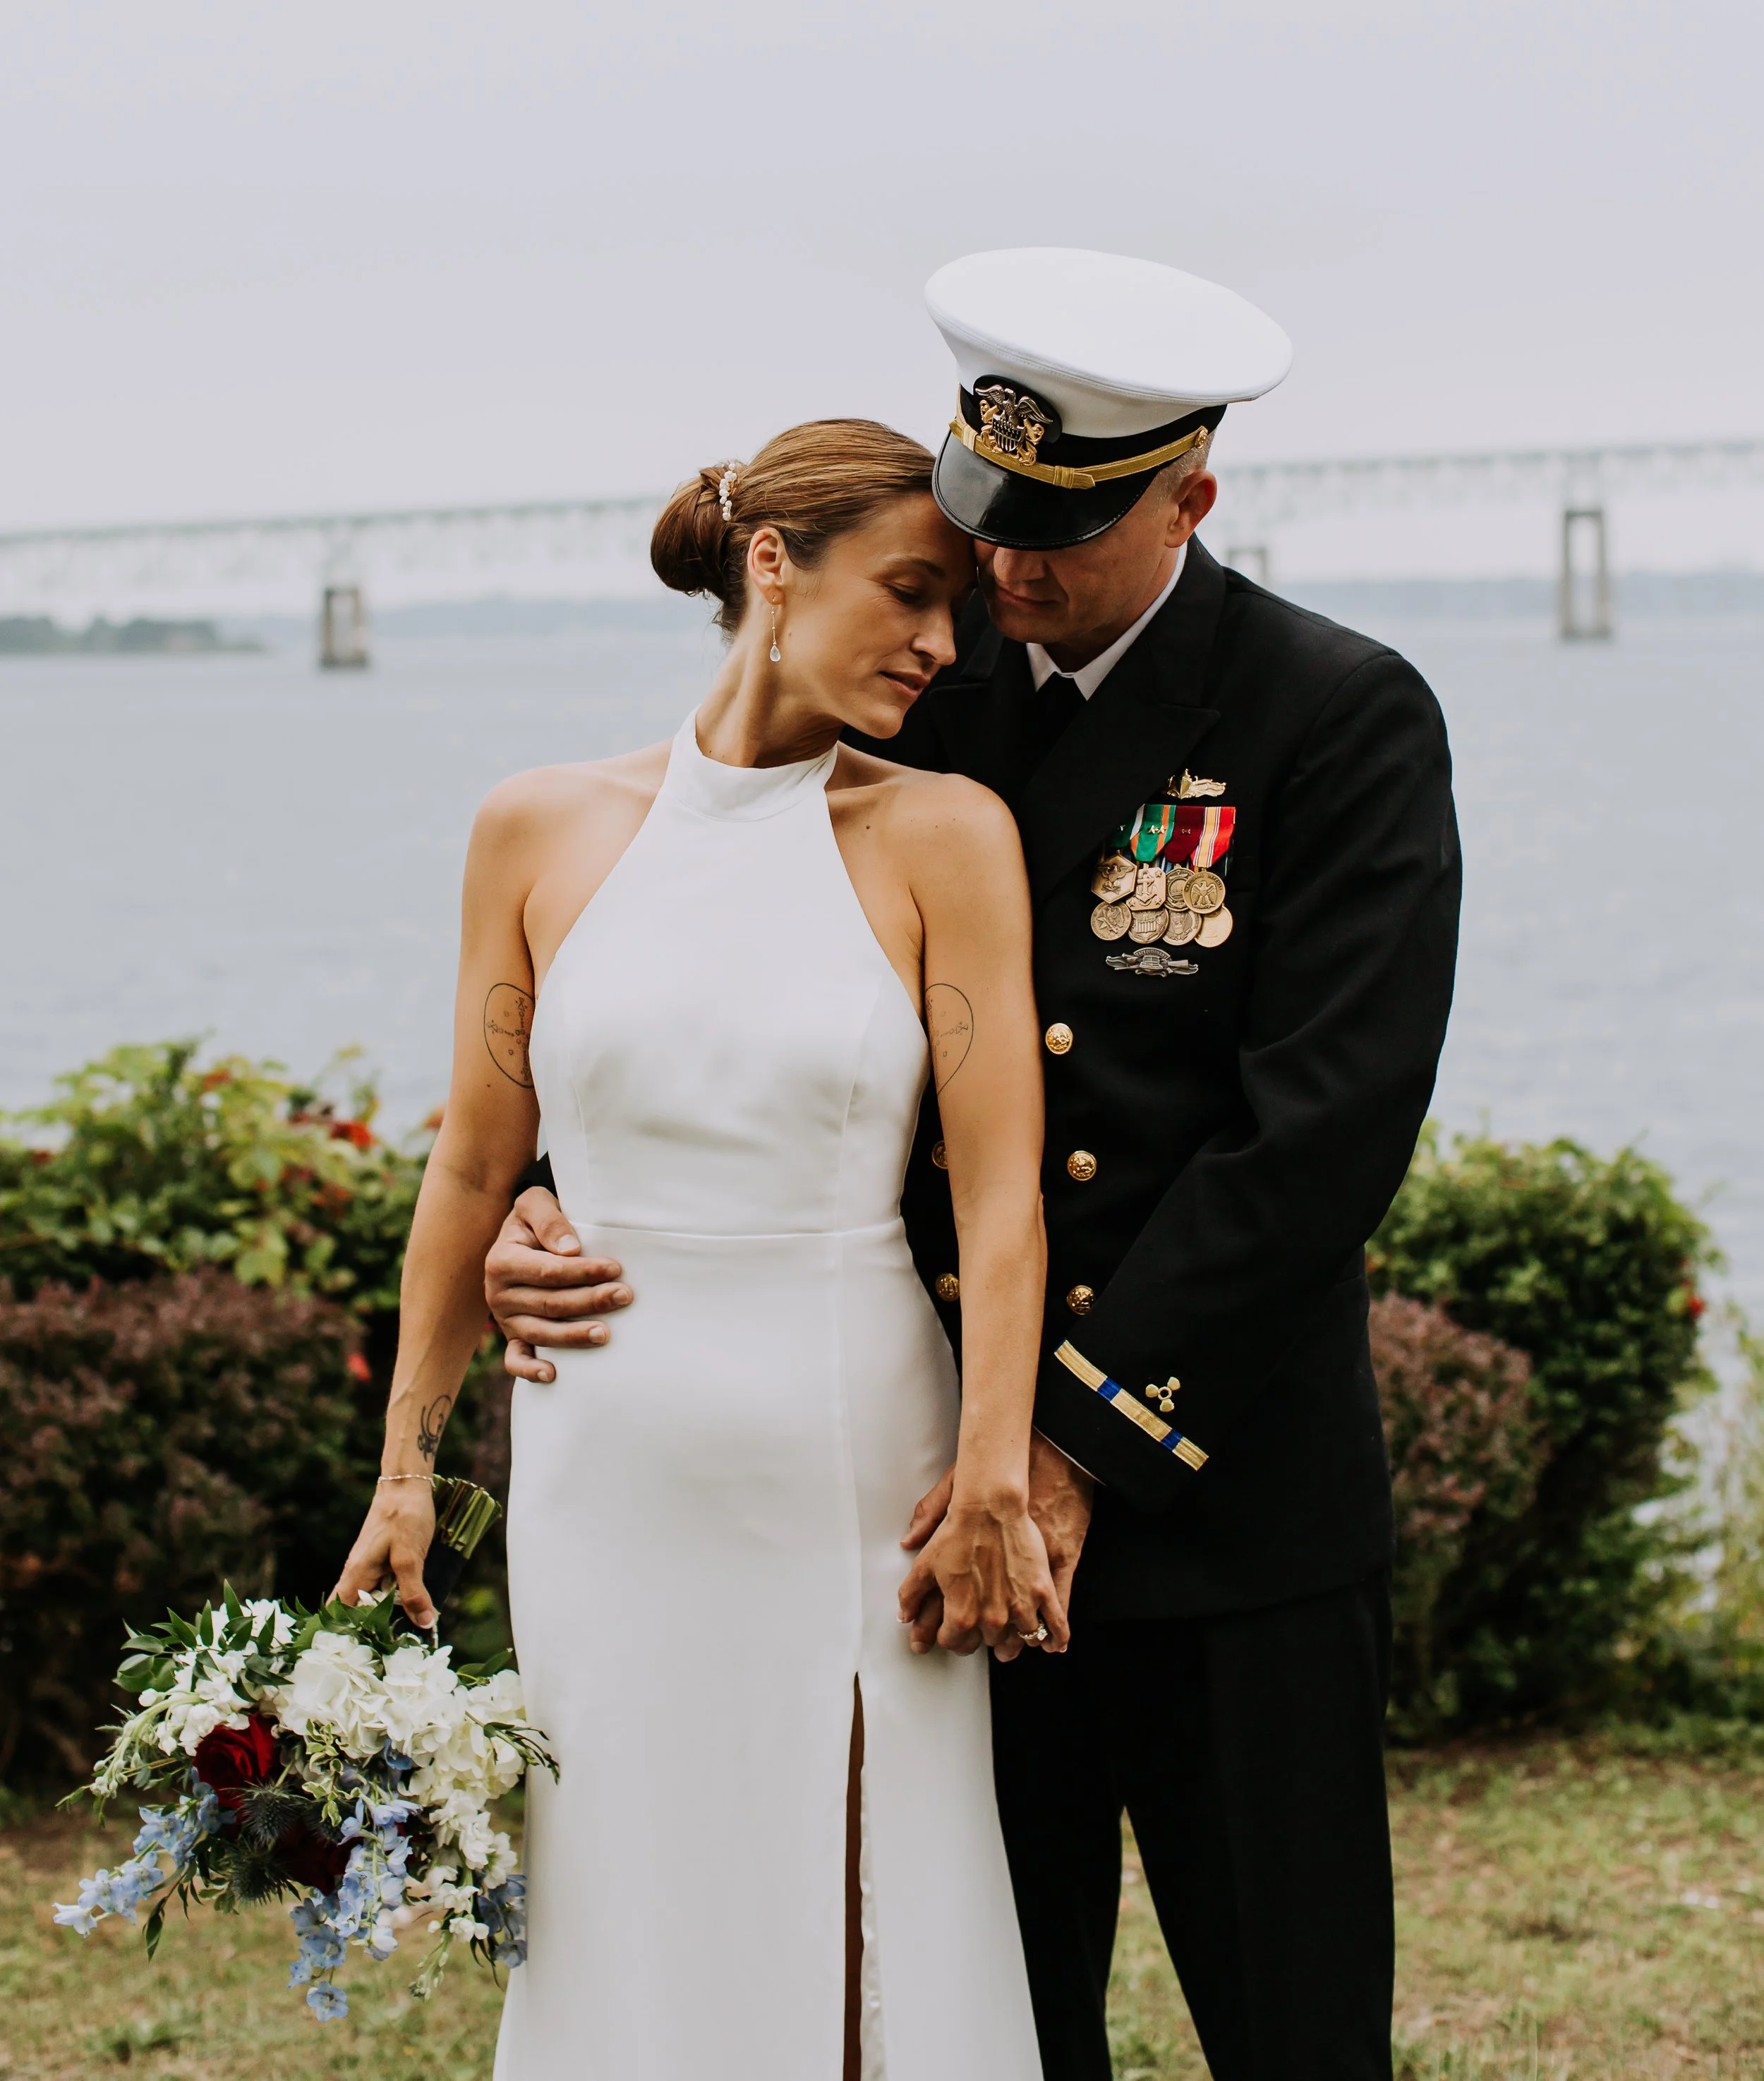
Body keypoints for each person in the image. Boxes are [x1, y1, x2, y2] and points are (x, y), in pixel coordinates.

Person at [491, 248, 1462, 2081]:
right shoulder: (920, 688)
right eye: (984, 521)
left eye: (1064, 530)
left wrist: (1067, 1443)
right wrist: (556, 1187)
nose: (1008, 574)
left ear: (1190, 490)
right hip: (937, 1496)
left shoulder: (1331, 712)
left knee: (1292, 2013)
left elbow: (1320, 1125)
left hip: (1213, 1487)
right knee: (994, 2018)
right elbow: (705, 953)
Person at [336, 418, 1056, 2081]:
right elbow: (471, 1167)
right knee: (621, 1875)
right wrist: (405, 1472)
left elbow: (1004, 1197)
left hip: (853, 1459)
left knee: (868, 1877)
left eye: (955, 610)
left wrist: (996, 1473)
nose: (941, 646)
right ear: (770, 565)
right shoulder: (537, 827)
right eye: (911, 593)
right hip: (603, 1461)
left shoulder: (945, 834)